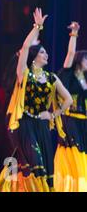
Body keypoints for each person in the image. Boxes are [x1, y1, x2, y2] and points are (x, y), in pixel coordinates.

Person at [0, 8, 72, 192]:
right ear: (34, 57)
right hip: (24, 124)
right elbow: (25, 47)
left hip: (41, 125)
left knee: (39, 166)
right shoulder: (24, 75)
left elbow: (67, 99)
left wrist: (52, 114)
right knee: (36, 165)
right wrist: (38, 27)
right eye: (42, 52)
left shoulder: (51, 78)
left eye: (46, 53)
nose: (46, 55)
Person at [54, 22, 87, 191]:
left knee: (83, 153)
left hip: (84, 121)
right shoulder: (68, 74)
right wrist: (74, 33)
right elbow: (70, 52)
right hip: (70, 119)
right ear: (79, 60)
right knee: (73, 151)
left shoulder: (86, 80)